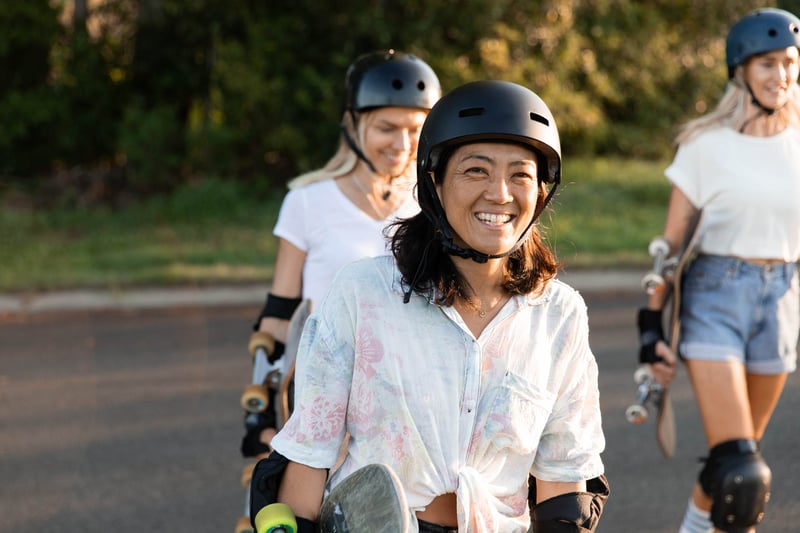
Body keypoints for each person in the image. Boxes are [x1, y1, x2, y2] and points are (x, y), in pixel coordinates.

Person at [250, 80, 609, 533]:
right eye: (475, 171)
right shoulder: (364, 293)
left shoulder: (560, 316)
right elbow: (309, 453)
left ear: (541, 191)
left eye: (520, 174)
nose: (500, 193)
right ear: (434, 182)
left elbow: (563, 483)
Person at [636, 8, 800, 533]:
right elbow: (669, 247)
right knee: (741, 473)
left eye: (790, 64)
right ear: (741, 71)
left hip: (781, 299)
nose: (781, 76)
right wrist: (649, 328)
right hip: (714, 296)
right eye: (768, 64)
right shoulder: (706, 145)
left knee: (735, 463)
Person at [240, 49, 441, 458]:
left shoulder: (435, 202)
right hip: (322, 392)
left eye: (415, 129)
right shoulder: (307, 201)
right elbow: (281, 310)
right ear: (352, 123)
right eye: (387, 127)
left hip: (410, 395)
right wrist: (262, 409)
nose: (403, 144)